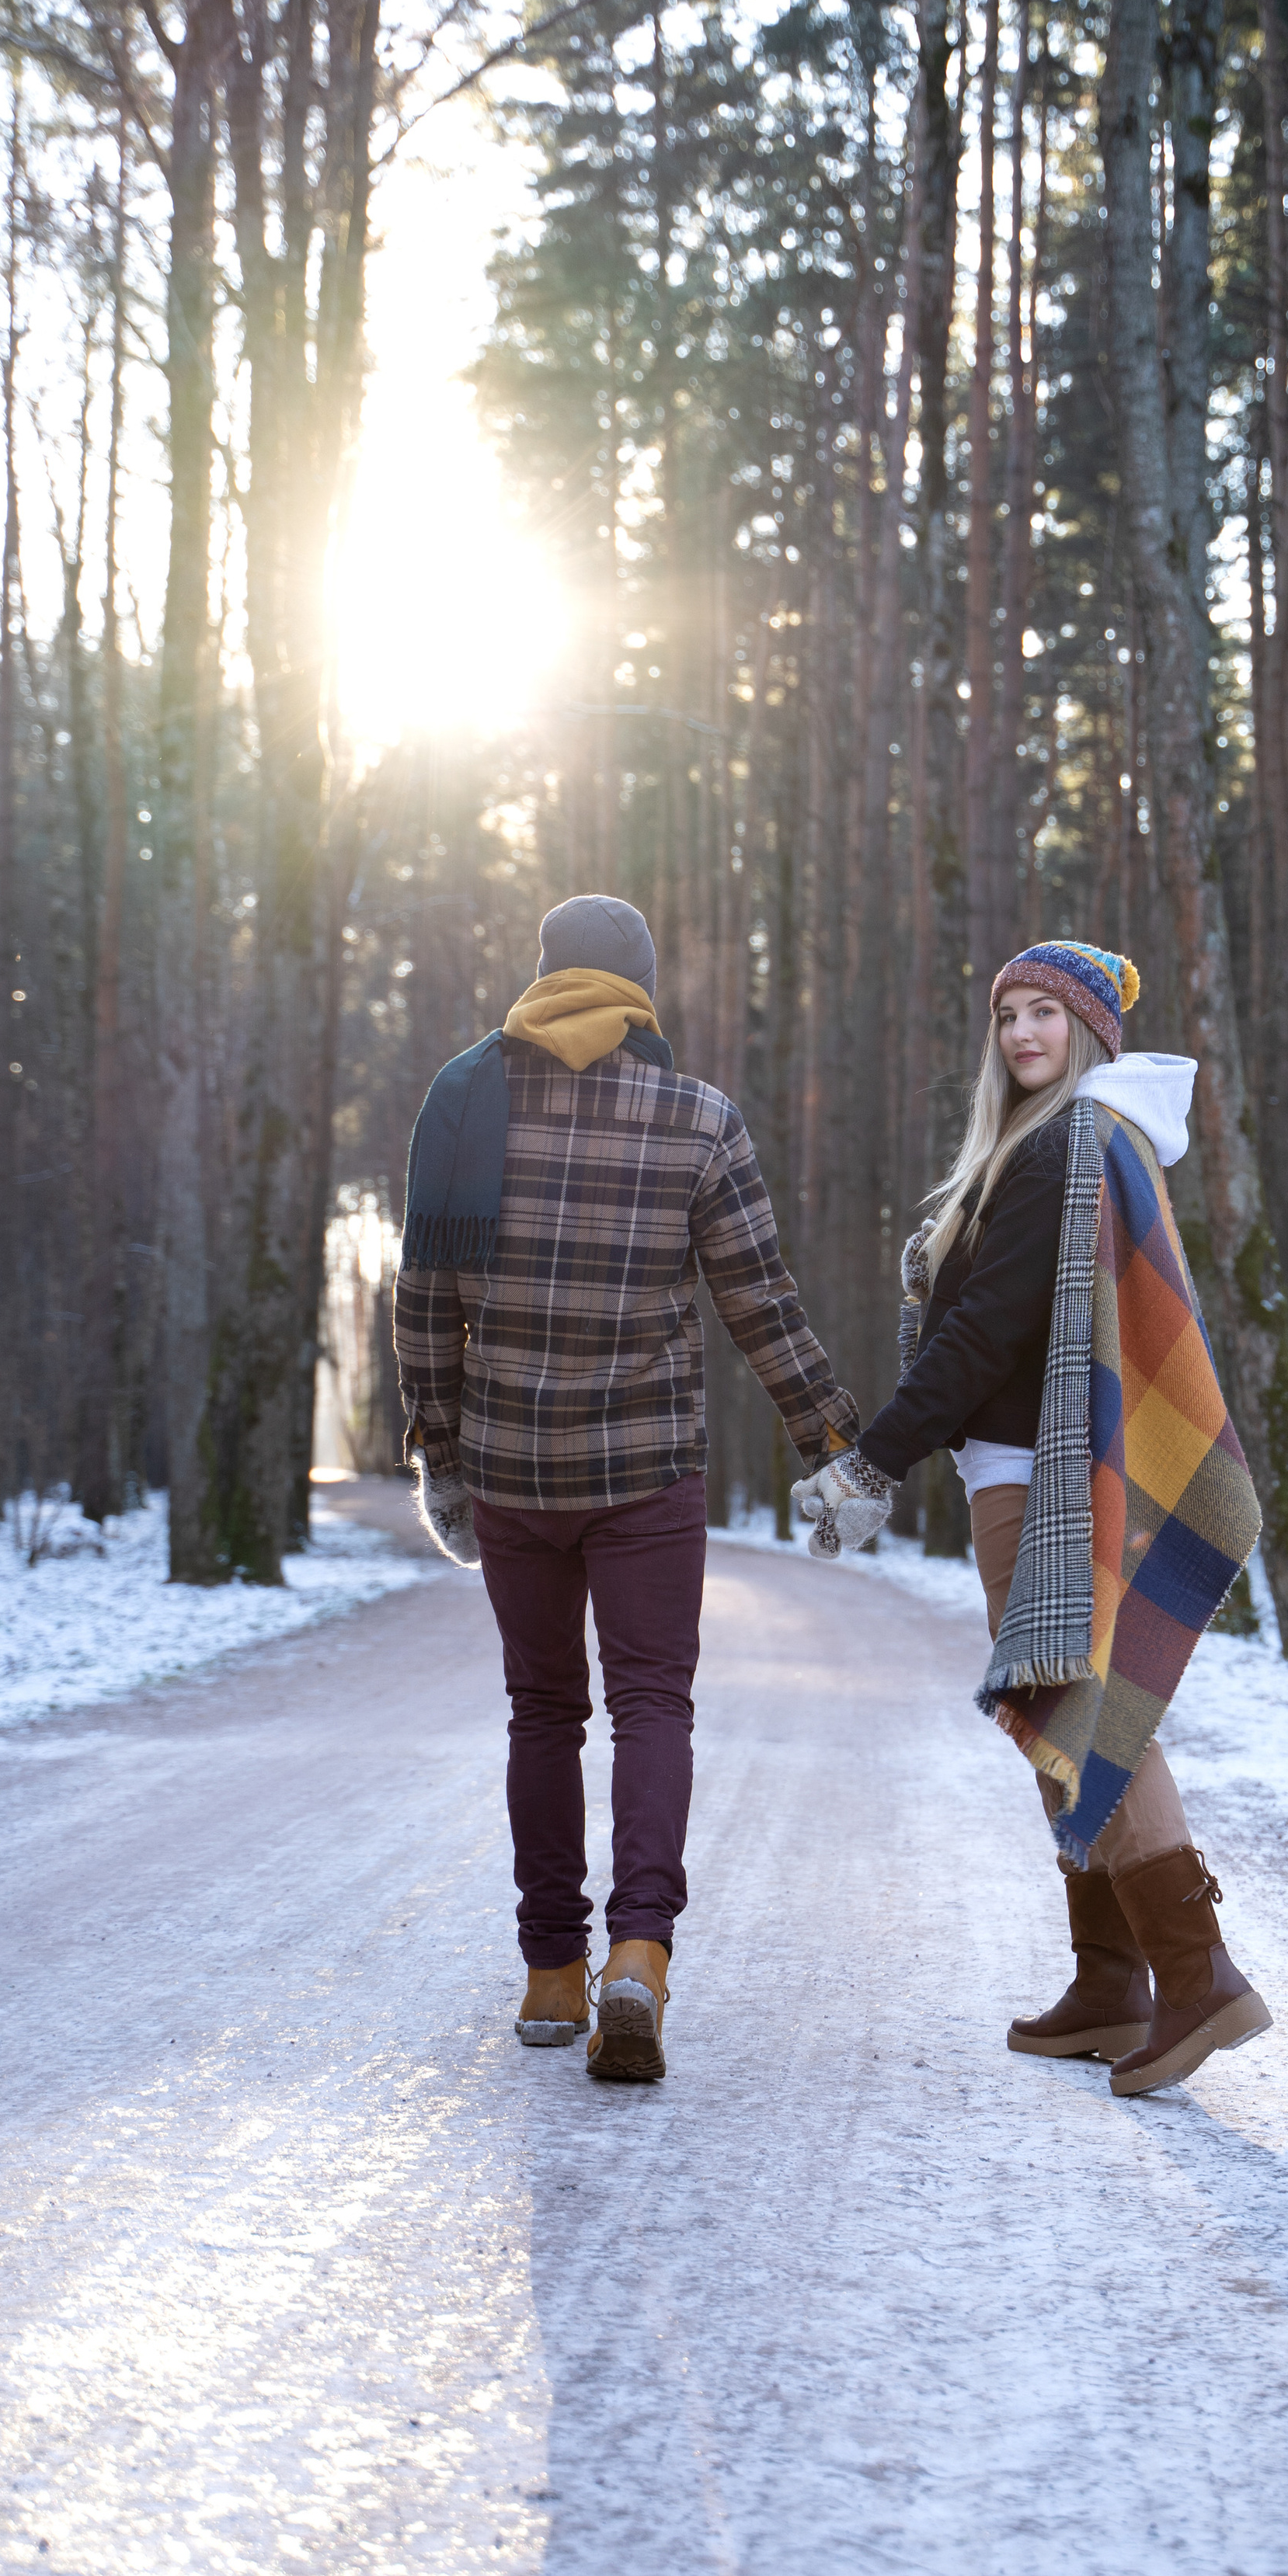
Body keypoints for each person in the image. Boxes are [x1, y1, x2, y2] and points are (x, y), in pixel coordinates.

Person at [792, 940, 1272, 2098]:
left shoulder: (1070, 1141)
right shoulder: (1054, 1142)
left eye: (1045, 1014)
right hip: (1017, 1470)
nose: (1021, 1034)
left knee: (1081, 1709)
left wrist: (873, 1463)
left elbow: (988, 1330)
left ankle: (1196, 1973)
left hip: (1037, 1476)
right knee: (1060, 1709)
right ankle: (1111, 1982)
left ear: (1091, 1031)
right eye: (1007, 1012)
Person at [395, 893, 857, 2084]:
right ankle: (637, 1959)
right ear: (643, 989)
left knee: (543, 1710)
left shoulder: (464, 1104)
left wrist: (440, 1452)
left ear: (542, 974)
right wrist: (831, 1442)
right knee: (654, 1704)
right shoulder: (699, 1118)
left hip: (510, 1467)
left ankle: (551, 1974)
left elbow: (422, 1305)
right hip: (646, 1469)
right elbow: (762, 1300)